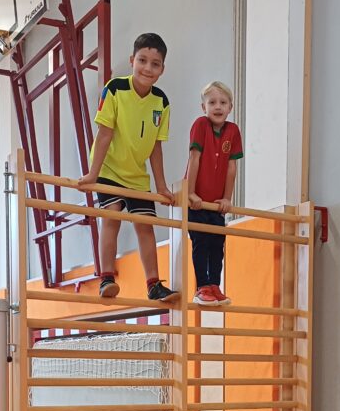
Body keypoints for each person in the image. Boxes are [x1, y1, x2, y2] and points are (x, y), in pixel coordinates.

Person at [78, 32, 178, 302]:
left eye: (155, 64)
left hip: (137, 176)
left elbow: (156, 147)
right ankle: (106, 278)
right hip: (109, 169)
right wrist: (93, 174)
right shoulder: (115, 89)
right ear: (132, 60)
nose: (147, 68)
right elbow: (104, 134)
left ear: (162, 69)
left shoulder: (161, 102)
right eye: (142, 60)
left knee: (145, 226)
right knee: (112, 216)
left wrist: (161, 185)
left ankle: (154, 284)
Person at [186, 81, 243, 305]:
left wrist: (227, 198)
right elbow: (194, 158)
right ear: (204, 107)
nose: (217, 107)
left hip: (216, 204)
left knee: (217, 244)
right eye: (212, 103)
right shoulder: (200, 124)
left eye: (223, 102)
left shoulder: (233, 130)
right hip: (197, 201)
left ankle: (214, 285)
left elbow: (231, 167)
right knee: (201, 242)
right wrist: (190, 193)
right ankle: (202, 286)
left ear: (230, 107)